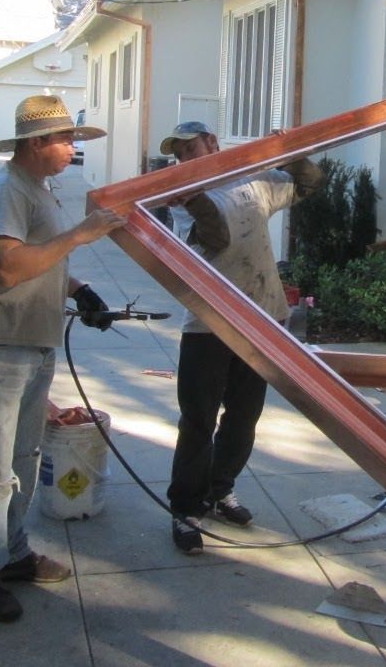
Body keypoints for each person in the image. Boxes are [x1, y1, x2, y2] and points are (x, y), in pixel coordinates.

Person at [0, 95, 125, 622]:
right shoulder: (7, 189)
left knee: (23, 460)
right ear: (36, 144)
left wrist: (80, 290)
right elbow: (7, 267)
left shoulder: (36, 188)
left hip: (30, 344)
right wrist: (83, 233)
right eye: (67, 140)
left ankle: (11, 556)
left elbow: (41, 260)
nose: (73, 149)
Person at [159, 120, 323, 554]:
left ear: (212, 143)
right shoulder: (183, 198)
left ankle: (219, 489)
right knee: (198, 420)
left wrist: (292, 151)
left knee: (244, 415)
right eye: (177, 154)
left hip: (262, 315)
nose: (182, 160)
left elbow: (310, 184)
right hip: (209, 322)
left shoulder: (255, 180)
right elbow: (218, 237)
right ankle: (185, 508)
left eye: (188, 149)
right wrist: (193, 196)